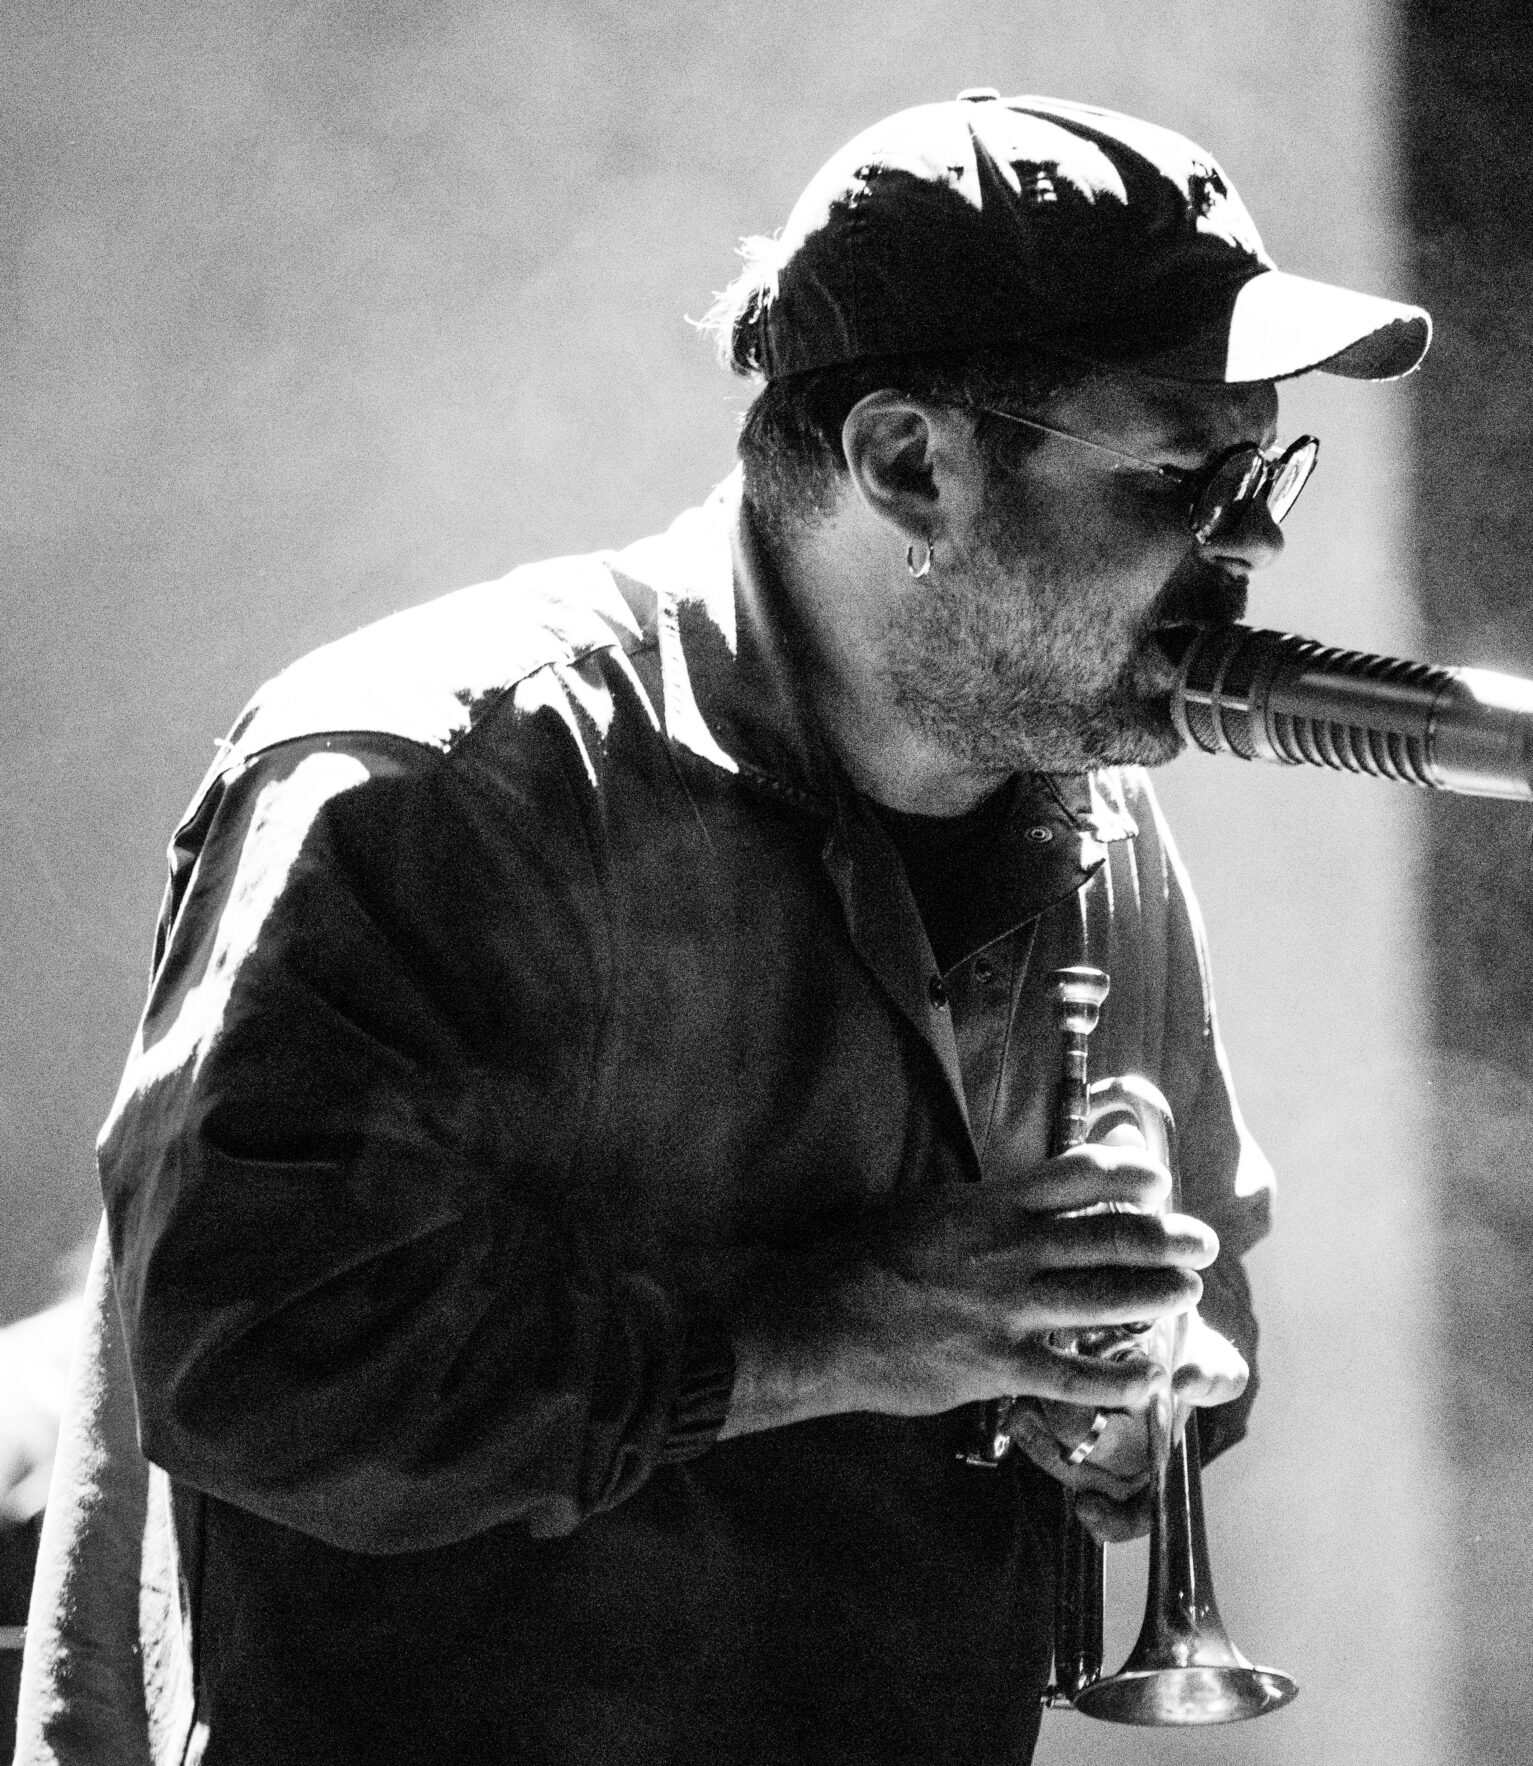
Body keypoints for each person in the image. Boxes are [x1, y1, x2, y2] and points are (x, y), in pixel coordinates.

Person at [15, 89, 1428, 1766]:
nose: (1254, 538)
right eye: (1186, 473)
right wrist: (820, 1332)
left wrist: (1135, 1407)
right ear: (908, 462)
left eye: (1262, 468)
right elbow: (253, 1357)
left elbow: (1207, 1286)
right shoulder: (441, 778)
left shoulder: (1098, 821)